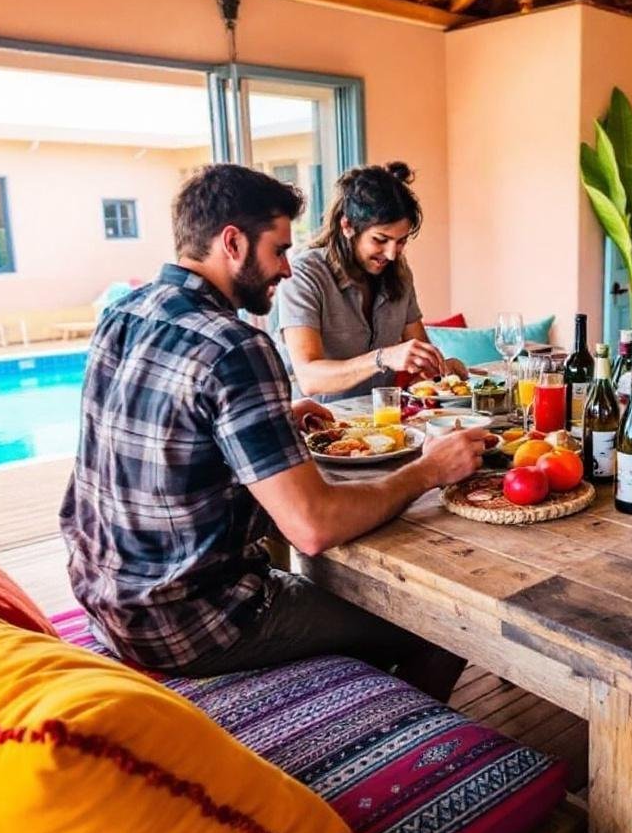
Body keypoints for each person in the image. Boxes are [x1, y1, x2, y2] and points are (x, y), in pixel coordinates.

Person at [60, 164, 482, 696]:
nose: (286, 268)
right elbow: (313, 527)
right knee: (445, 624)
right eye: (278, 250)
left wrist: (277, 418)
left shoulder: (121, 315)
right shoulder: (235, 344)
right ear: (232, 243)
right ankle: (393, 731)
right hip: (191, 622)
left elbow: (168, 432)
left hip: (104, 595)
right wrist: (427, 471)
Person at [279, 162, 467, 402]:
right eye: (380, 240)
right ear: (347, 226)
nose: (391, 254)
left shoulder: (399, 272)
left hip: (381, 423)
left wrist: (441, 371)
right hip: (317, 426)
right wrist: (383, 358)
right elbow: (309, 377)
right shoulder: (305, 274)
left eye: (401, 241)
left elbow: (419, 358)